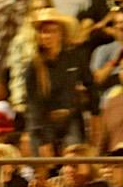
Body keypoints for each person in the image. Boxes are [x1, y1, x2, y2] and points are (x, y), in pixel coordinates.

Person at [13, 9, 92, 155]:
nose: (46, 36)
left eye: (52, 31)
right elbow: (34, 104)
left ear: (61, 33)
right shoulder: (33, 66)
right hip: (43, 124)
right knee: (43, 168)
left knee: (75, 160)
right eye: (43, 32)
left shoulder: (74, 58)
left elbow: (90, 85)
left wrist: (93, 114)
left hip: (71, 120)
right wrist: (44, 140)